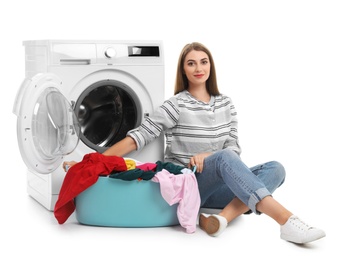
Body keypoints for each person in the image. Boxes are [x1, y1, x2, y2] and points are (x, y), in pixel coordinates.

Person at [64, 42, 325, 244]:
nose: (198, 68)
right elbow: (138, 137)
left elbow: (233, 148)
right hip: (190, 181)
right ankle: (287, 222)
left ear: (211, 66)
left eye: (203, 61)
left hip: (220, 184)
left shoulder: (226, 104)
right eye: (191, 63)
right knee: (224, 158)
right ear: (184, 70)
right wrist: (95, 160)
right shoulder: (175, 105)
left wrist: (209, 155)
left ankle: (221, 219)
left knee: (276, 168)